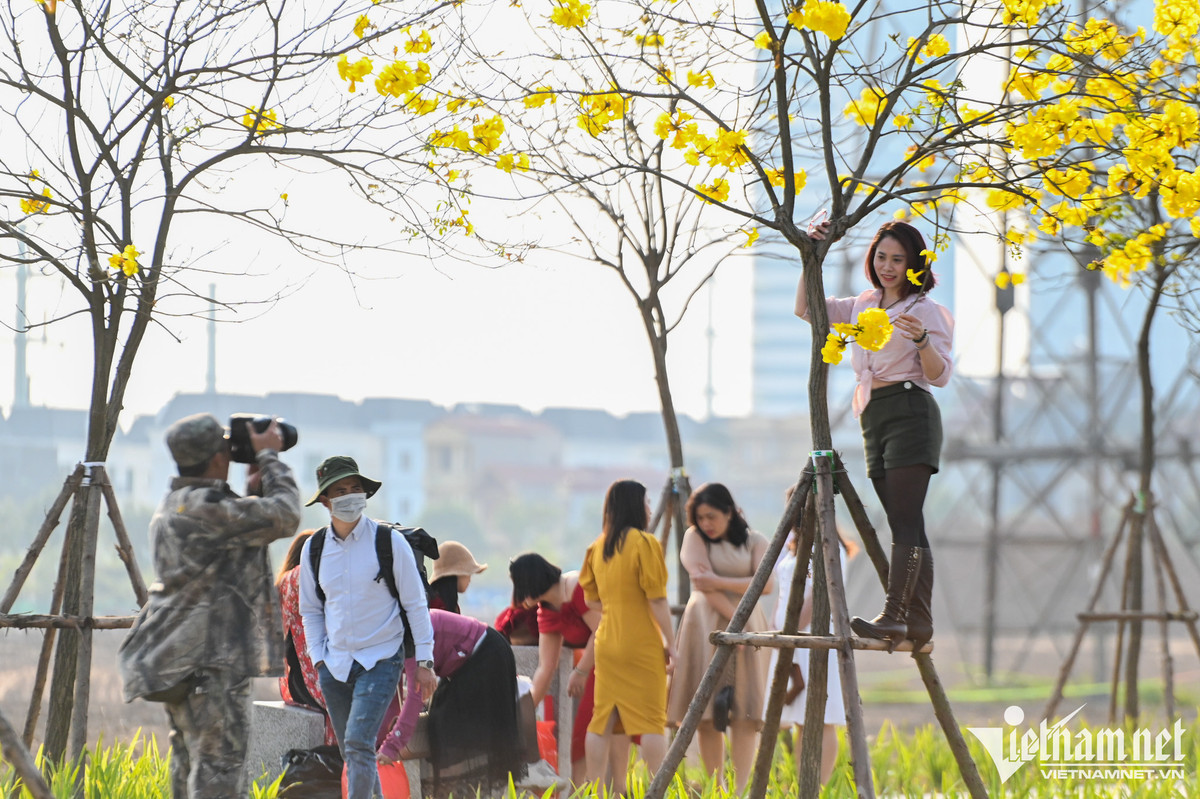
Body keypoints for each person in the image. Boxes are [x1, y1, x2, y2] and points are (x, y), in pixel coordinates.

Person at [119, 413, 300, 799]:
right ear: (218, 456)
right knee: (219, 771)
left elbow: (238, 532)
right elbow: (285, 516)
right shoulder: (209, 508)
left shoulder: (176, 504)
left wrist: (253, 490)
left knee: (188, 764)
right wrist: (269, 458)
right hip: (211, 662)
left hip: (178, 658)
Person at [796, 219, 953, 649]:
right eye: (882, 256)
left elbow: (940, 377)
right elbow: (807, 309)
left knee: (903, 521)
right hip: (874, 416)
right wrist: (811, 252)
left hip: (911, 410)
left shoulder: (925, 310)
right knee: (910, 525)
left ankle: (895, 616)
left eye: (898, 259)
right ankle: (918, 624)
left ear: (912, 263)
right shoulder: (865, 302)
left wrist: (922, 341)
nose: (887, 266)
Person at [298, 456, 437, 799]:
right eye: (340, 491)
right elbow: (310, 610)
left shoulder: (389, 543)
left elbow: (416, 604)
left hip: (381, 659)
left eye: (355, 489)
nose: (349, 496)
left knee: (359, 744)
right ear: (326, 501)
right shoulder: (314, 549)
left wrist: (425, 663)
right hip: (335, 664)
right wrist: (318, 659)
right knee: (353, 753)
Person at [667, 482, 772, 794]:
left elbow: (765, 585)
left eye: (711, 516)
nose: (706, 524)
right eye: (700, 518)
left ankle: (740, 790)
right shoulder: (693, 538)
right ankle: (718, 788)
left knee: (746, 711)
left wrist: (718, 580)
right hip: (706, 626)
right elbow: (702, 585)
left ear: (730, 511)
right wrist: (734, 625)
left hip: (749, 625)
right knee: (706, 711)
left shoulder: (757, 540)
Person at [579, 479, 676, 795]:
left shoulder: (597, 547)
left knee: (601, 720)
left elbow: (592, 601)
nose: (649, 508)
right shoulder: (644, 544)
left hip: (607, 641)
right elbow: (657, 600)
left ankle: (594, 789)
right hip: (640, 642)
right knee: (651, 720)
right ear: (637, 506)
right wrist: (671, 644)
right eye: (647, 502)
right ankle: (656, 788)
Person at [377, 608, 526, 794]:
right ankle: (450, 792)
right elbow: (392, 695)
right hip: (464, 665)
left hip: (487, 653)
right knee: (440, 717)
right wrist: (380, 742)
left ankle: (451, 793)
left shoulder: (406, 636)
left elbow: (415, 696)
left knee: (447, 723)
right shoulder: (384, 646)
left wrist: (392, 746)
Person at [766, 501, 859, 787]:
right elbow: (782, 590)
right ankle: (802, 783)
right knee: (798, 716)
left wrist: (793, 628)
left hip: (813, 636)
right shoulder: (795, 544)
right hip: (789, 635)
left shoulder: (831, 548)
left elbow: (820, 595)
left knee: (820, 717)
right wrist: (777, 626)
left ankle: (817, 785)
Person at [509, 552, 601, 782]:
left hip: (614, 660)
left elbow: (602, 631)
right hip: (590, 669)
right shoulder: (546, 610)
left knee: (592, 732)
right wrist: (524, 711)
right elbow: (545, 668)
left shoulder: (576, 586)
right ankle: (577, 791)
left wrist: (580, 672)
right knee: (580, 737)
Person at [426, 540, 487, 614]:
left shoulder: (443, 602)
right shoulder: (438, 605)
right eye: (468, 573)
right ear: (455, 575)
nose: (469, 580)